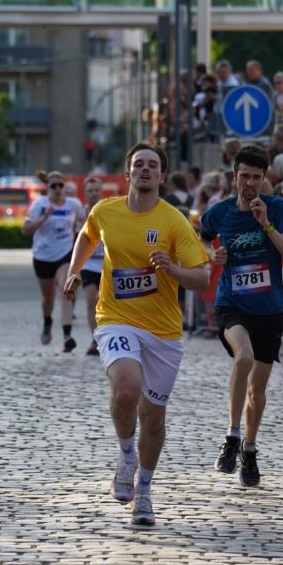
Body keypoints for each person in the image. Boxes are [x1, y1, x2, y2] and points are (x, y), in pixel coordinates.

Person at [63, 142, 210, 527]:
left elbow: (202, 276)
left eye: (153, 166)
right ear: (127, 175)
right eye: (138, 165)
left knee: (154, 417)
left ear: (162, 176)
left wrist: (173, 271)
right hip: (115, 317)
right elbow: (88, 234)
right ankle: (127, 454)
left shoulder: (173, 221)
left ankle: (143, 490)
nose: (145, 170)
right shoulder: (105, 210)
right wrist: (75, 269)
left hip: (163, 330)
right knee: (127, 388)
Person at [200, 146, 283, 486]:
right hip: (232, 304)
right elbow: (201, 238)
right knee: (243, 357)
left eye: (257, 177)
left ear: (265, 178)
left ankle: (250, 450)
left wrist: (266, 225)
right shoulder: (220, 212)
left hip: (269, 309)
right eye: (244, 176)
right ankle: (231, 437)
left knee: (258, 391)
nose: (250, 183)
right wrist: (213, 254)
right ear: (234, 176)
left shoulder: (279, 209)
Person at [22, 169, 84, 351]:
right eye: (53, 186)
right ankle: (47, 322)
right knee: (47, 298)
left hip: (65, 254)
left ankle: (67, 336)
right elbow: (25, 230)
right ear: (47, 188)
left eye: (60, 185)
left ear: (64, 187)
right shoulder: (39, 204)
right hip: (42, 256)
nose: (57, 189)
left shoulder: (74, 204)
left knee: (65, 289)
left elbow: (85, 221)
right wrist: (44, 217)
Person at [80, 176, 105, 356]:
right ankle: (95, 338)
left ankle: (108, 336)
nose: (93, 193)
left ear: (101, 192)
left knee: (106, 302)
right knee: (91, 298)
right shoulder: (80, 213)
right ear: (85, 193)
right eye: (90, 190)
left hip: (107, 262)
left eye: (96, 190)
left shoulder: (108, 211)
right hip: (88, 262)